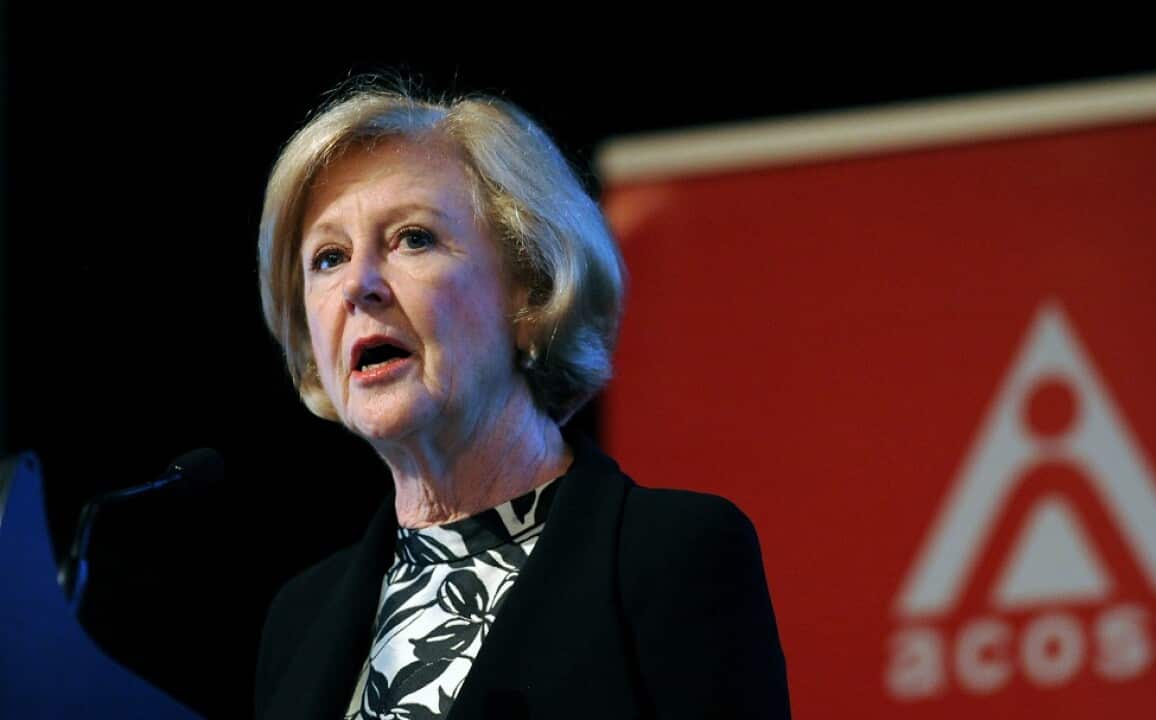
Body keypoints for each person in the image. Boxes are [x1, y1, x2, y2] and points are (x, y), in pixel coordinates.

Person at [253, 77, 790, 719]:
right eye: (328, 257)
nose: (358, 286)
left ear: (530, 291)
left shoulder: (671, 560)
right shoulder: (299, 620)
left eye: (412, 238)